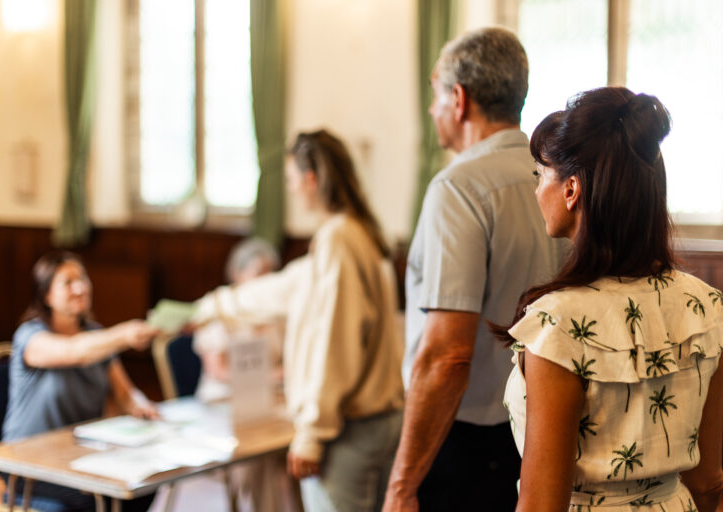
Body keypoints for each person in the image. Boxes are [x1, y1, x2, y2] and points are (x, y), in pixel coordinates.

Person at [499, 87, 723, 511]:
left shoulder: (557, 325)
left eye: (539, 175)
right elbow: (710, 483)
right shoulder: (706, 307)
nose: (535, 191)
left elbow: (542, 504)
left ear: (571, 189)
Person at [384, 28, 567, 512]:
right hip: (543, 432)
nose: (431, 110)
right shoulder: (558, 178)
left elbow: (447, 357)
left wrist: (401, 486)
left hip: (463, 441)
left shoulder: (458, 187)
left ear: (458, 99)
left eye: (434, 94)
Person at [191, 129, 404, 512]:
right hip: (379, 421)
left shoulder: (337, 239)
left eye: (290, 180)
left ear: (310, 180)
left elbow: (333, 345)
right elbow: (285, 288)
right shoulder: (363, 233)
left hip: (348, 430)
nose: (290, 190)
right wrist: (207, 308)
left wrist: (311, 434)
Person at [3, 251, 159, 512]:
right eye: (68, 282)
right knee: (93, 501)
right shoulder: (30, 337)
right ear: (46, 295)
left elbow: (125, 393)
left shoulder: (96, 336)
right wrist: (124, 335)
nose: (80, 287)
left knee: (142, 489)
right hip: (30, 465)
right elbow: (74, 352)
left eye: (83, 279)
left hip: (80, 459)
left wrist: (140, 405)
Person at [191, 237, 295, 512]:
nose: (267, 282)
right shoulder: (218, 308)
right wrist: (271, 376)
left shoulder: (276, 315)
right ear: (237, 273)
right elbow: (218, 370)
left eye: (271, 274)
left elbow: (289, 359)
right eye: (259, 273)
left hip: (266, 400)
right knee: (260, 448)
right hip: (222, 402)